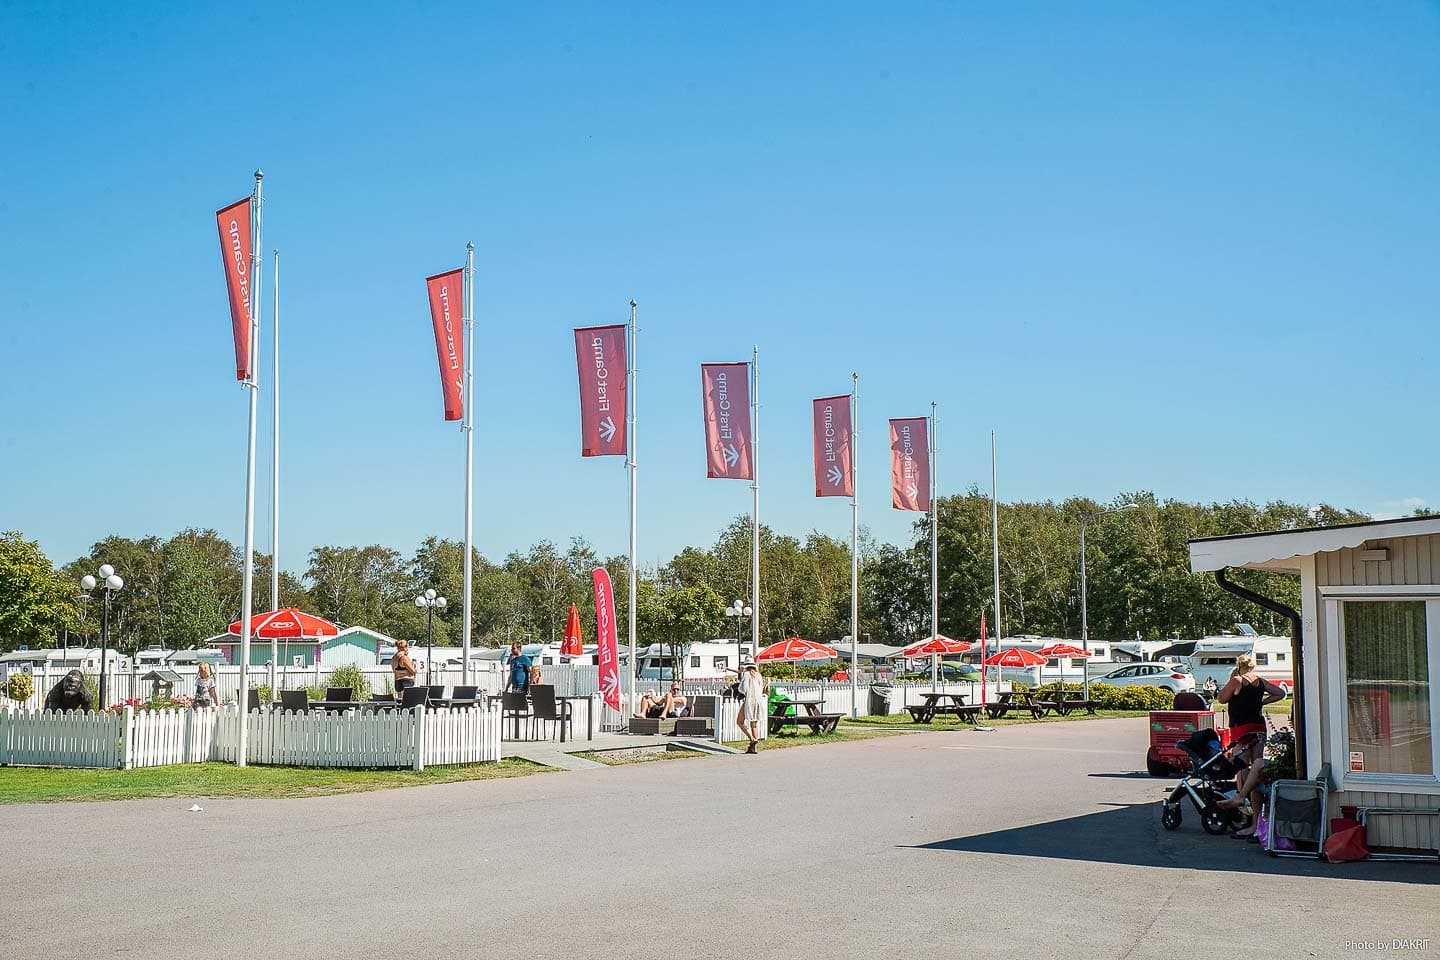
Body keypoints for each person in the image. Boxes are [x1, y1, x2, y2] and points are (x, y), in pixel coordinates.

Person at [1216, 654, 1286, 837]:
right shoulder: (1260, 681)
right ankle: (1255, 819)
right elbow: (1281, 693)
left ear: (1239, 666)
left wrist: (1232, 679)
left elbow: (1221, 699)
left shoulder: (1237, 680)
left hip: (1241, 727)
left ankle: (1242, 804)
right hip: (1258, 725)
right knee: (1257, 765)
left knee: (1242, 766)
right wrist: (1262, 701)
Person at [737, 661, 768, 754]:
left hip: (749, 700)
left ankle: (752, 739)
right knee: (754, 724)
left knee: (739, 721)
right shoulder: (758, 675)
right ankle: (754, 747)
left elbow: (743, 688)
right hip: (758, 700)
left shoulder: (746, 674)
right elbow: (762, 688)